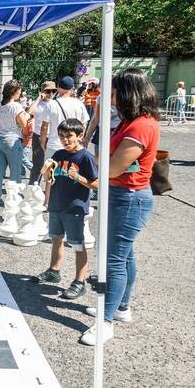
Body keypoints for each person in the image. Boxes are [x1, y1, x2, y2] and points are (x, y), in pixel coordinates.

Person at [80, 68, 161, 346]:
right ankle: (121, 307)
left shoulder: (141, 125)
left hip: (129, 197)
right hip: (124, 194)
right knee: (124, 256)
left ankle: (106, 321)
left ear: (129, 93)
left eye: (113, 93)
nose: (110, 98)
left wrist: (100, 160)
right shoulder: (132, 121)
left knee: (114, 259)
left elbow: (112, 168)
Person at [35, 119, 98, 300]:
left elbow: (96, 184)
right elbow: (49, 178)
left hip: (74, 208)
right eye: (62, 136)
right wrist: (46, 171)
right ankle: (54, 271)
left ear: (79, 136)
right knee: (56, 239)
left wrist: (78, 177)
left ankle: (80, 281)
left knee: (78, 245)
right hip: (56, 204)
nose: (65, 140)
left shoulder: (85, 157)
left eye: (69, 136)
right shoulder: (58, 154)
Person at [39, 76, 89, 205]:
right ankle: (70, 200)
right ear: (72, 89)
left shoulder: (52, 104)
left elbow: (45, 126)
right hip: (73, 145)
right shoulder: (79, 103)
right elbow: (83, 125)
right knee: (73, 173)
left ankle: (48, 201)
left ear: (59, 88)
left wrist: (42, 142)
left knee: (50, 174)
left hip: (55, 143)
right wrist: (80, 140)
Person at [0, 79, 30, 204]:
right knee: (15, 171)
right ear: (14, 92)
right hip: (12, 139)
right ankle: (13, 198)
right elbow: (24, 125)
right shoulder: (16, 106)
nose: (20, 93)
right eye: (19, 91)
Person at [28, 81, 55, 183]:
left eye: (53, 91)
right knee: (38, 164)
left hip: (52, 137)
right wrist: (39, 98)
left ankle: (51, 189)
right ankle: (33, 187)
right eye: (48, 91)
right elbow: (29, 112)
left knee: (53, 164)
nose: (51, 94)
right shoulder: (37, 103)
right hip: (38, 136)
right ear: (42, 91)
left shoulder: (55, 103)